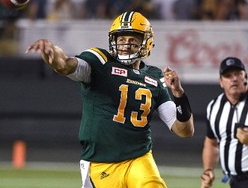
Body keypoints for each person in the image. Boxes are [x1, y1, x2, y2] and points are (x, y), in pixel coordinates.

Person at [26, 11, 194, 188]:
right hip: (101, 163)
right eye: (121, 39)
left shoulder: (155, 77)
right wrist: (51, 51)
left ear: (146, 42)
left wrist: (178, 94)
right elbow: (66, 64)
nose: (126, 45)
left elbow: (184, 131)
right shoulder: (100, 62)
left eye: (132, 40)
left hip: (139, 158)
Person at [201, 57, 248, 188]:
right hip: (234, 181)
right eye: (228, 75)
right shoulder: (214, 106)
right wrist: (208, 169)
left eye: (238, 74)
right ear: (221, 82)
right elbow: (211, 142)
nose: (234, 79)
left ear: (245, 77)